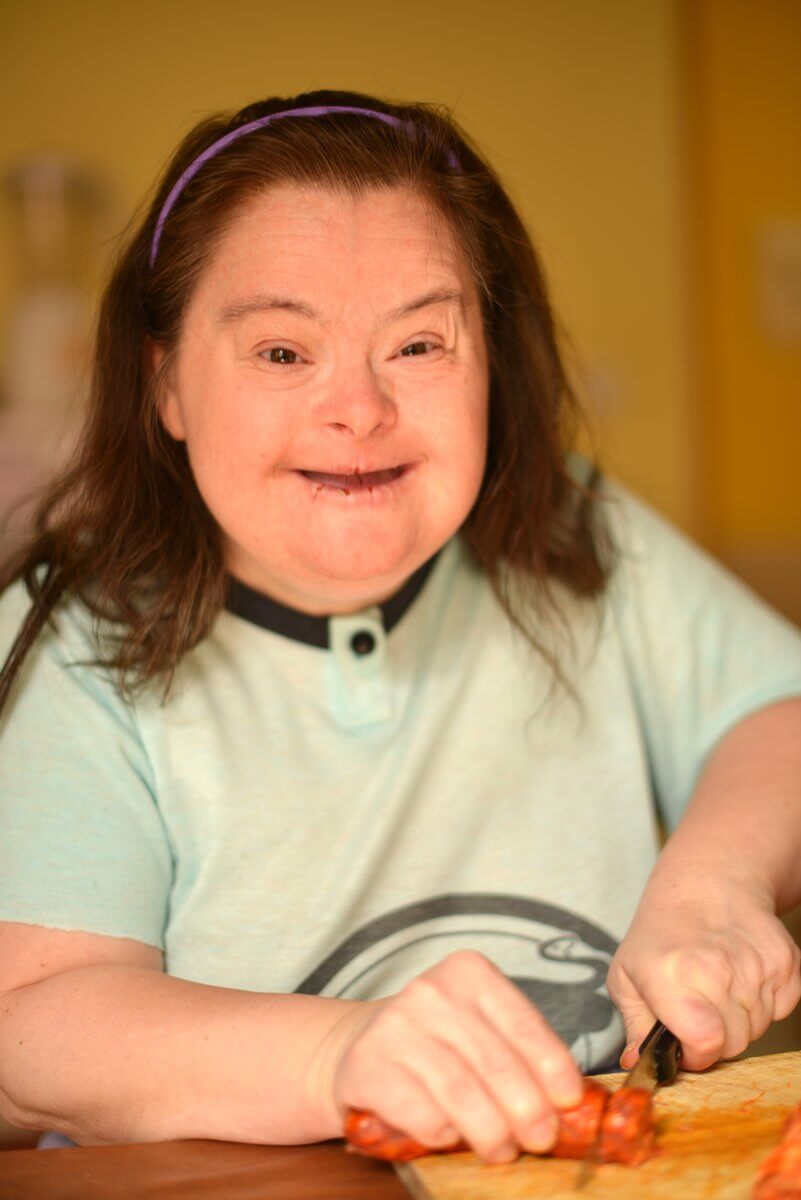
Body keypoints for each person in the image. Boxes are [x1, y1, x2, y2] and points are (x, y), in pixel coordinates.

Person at [0, 89, 799, 1165]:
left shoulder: (574, 534)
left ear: (492, 367)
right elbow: (34, 1028)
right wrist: (339, 1057)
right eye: (283, 353)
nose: (361, 409)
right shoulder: (72, 634)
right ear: (166, 386)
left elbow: (777, 710)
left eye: (420, 344)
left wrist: (716, 886)